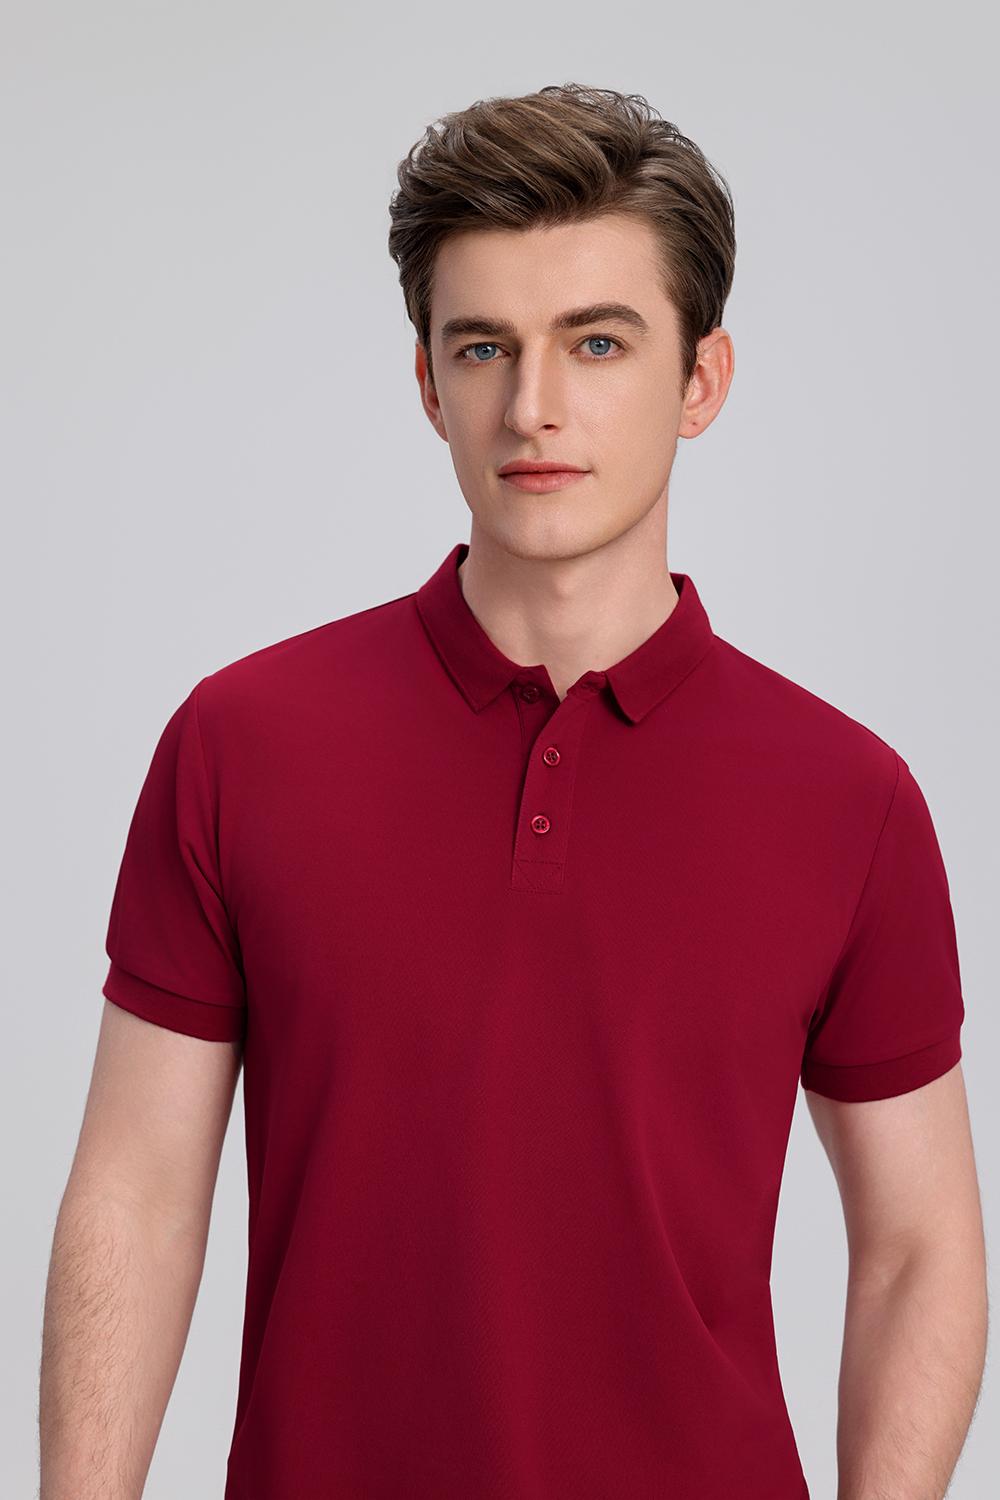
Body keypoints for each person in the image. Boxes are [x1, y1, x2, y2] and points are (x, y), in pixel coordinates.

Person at [40, 83, 987, 1500]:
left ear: (702, 380)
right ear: (429, 384)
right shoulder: (241, 743)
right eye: (483, 346)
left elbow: (918, 1245)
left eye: (597, 342)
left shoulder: (851, 799)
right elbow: (136, 1192)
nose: (532, 407)